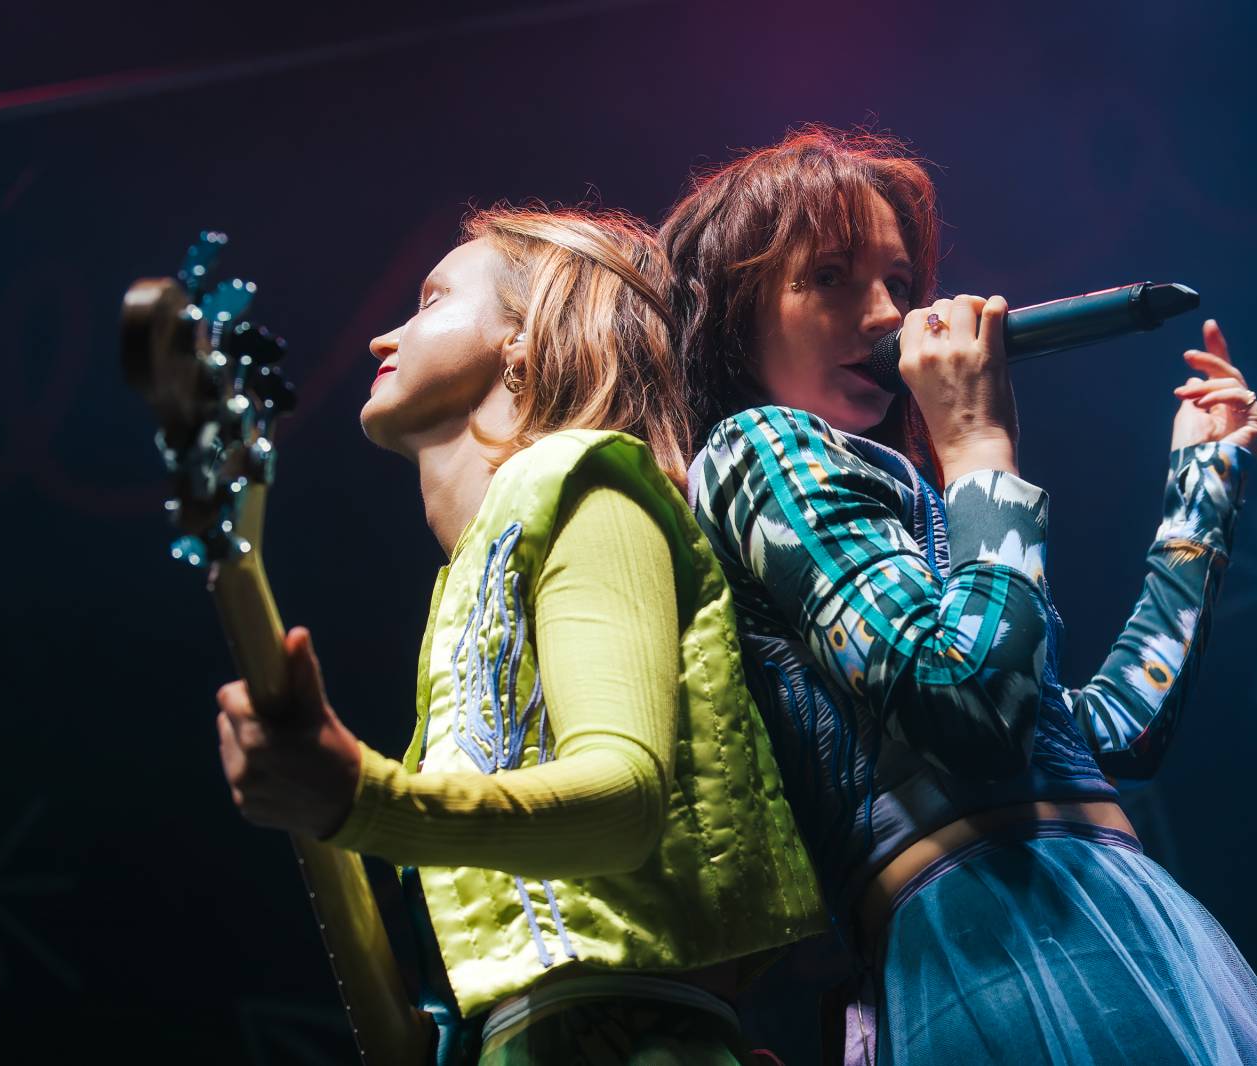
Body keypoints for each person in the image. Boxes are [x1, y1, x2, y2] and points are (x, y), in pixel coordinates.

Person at [662, 126, 1257, 1064]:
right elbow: (965, 707)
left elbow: (1104, 733)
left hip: (1098, 905)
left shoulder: (895, 491)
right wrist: (976, 450)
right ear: (735, 313)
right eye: (832, 276)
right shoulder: (760, 450)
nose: (887, 314)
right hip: (989, 939)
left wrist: (1200, 493)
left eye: (896, 281)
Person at [214, 205, 823, 1065]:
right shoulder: (480, 559)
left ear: (526, 337)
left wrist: (363, 800)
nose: (381, 336)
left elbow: (624, 800)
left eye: (431, 302)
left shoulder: (586, 481)